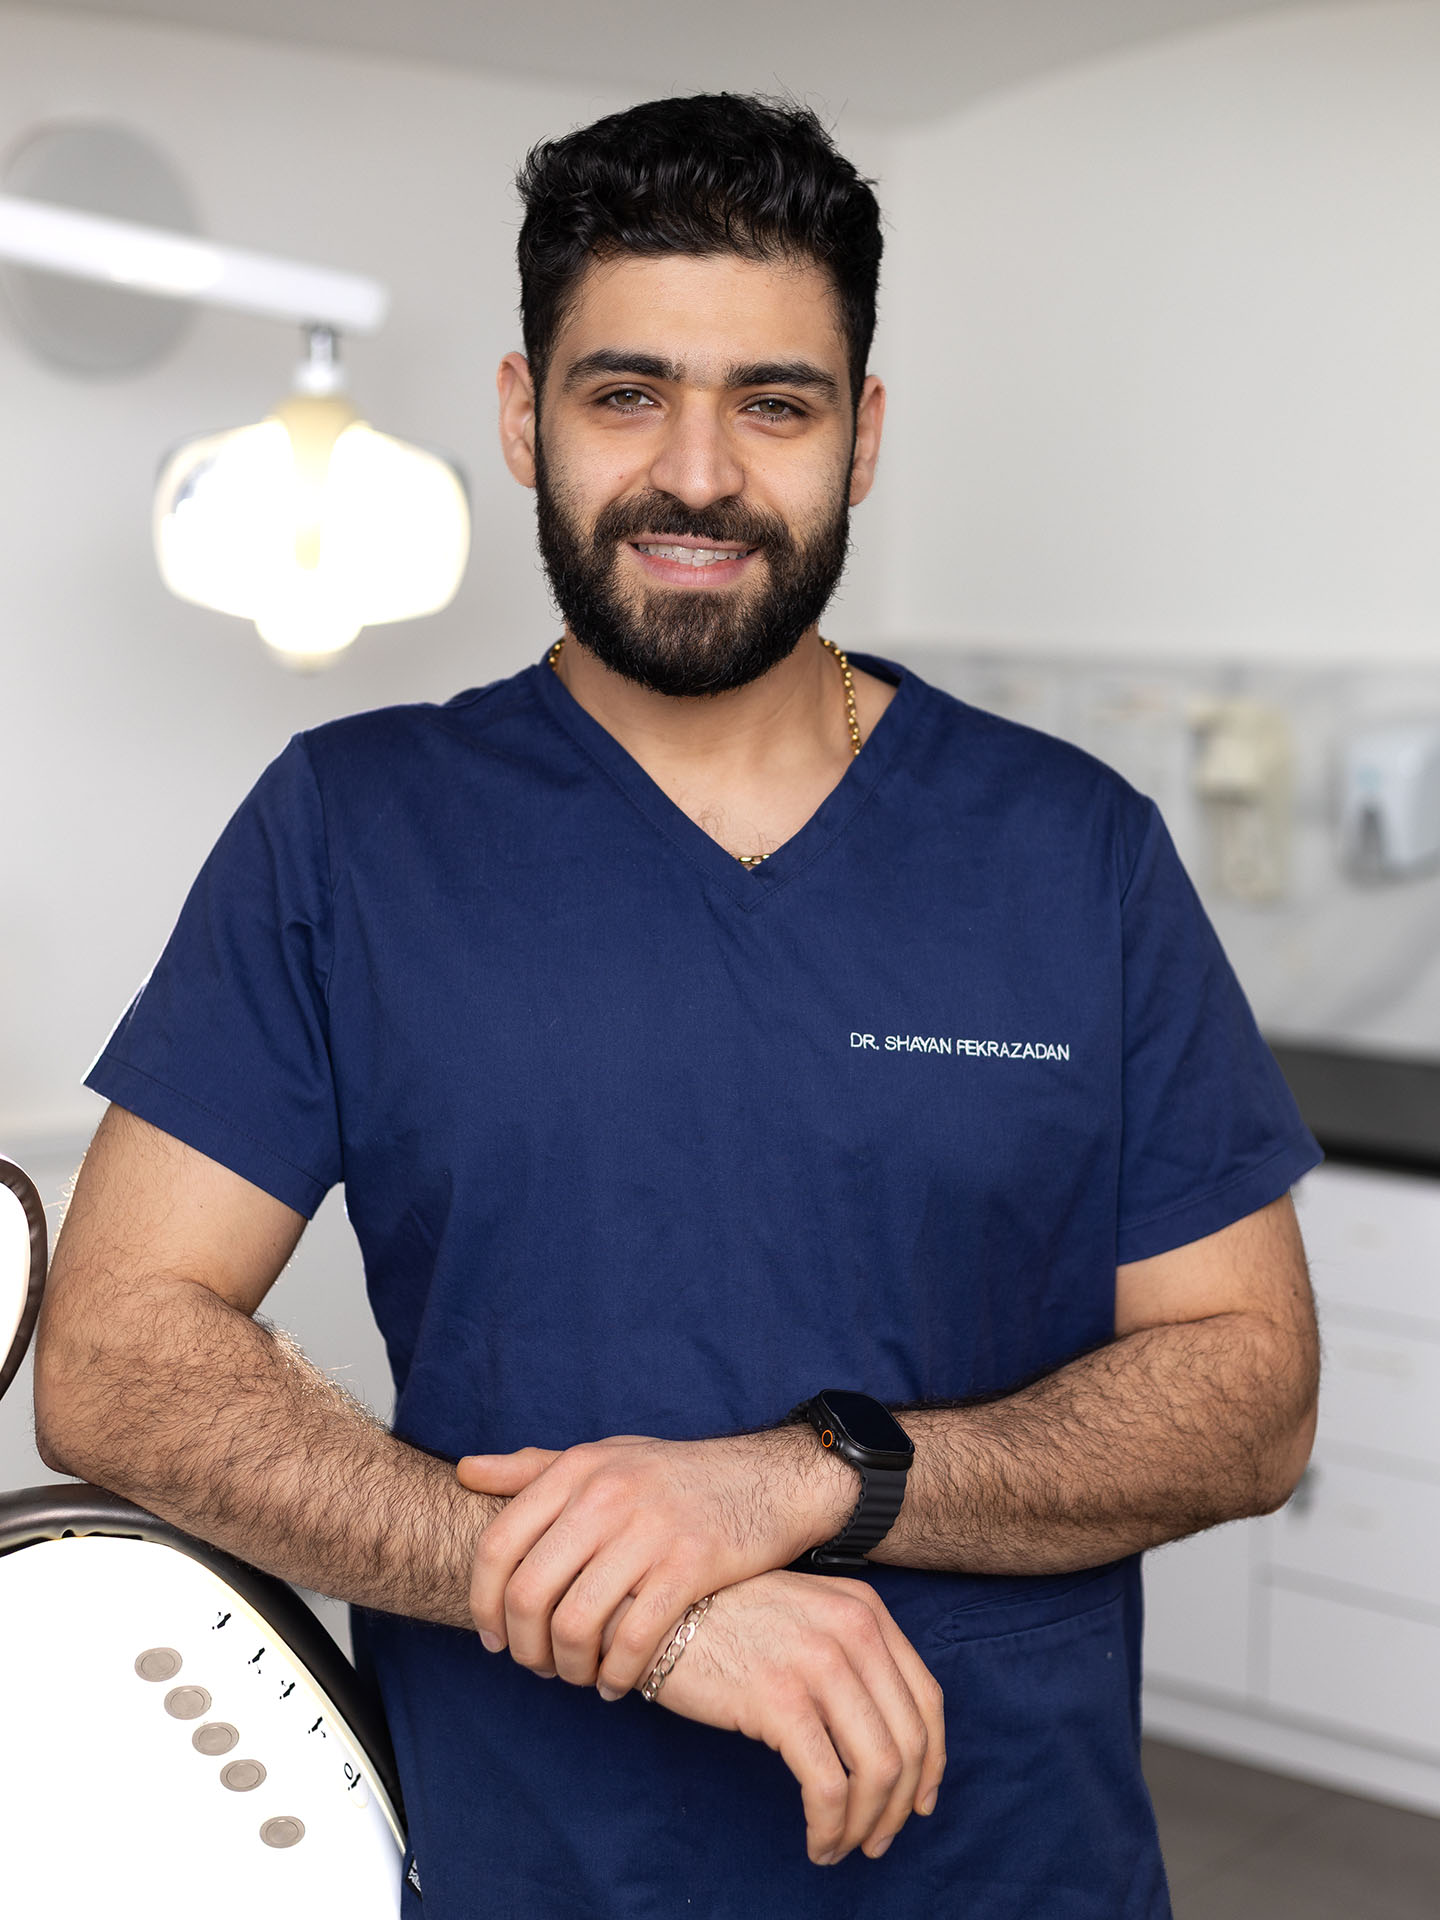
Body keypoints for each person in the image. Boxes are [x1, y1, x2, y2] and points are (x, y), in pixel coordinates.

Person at [34, 94, 1321, 1920]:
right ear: (522, 416)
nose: (699, 476)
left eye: (774, 405)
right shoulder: (353, 828)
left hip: (1010, 1872)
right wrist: (645, 1610)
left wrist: (810, 1481)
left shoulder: (1070, 850)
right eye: (627, 394)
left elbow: (1250, 1393)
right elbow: (114, 1360)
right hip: (532, 1867)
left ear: (862, 436)